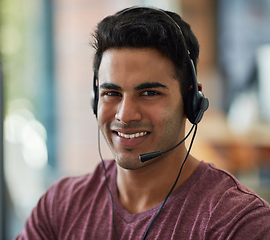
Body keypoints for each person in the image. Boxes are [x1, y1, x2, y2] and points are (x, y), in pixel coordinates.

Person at [15, 6, 270, 239]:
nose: (125, 116)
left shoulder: (240, 223)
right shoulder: (59, 208)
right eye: (112, 93)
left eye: (149, 93)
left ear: (191, 99)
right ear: (95, 100)